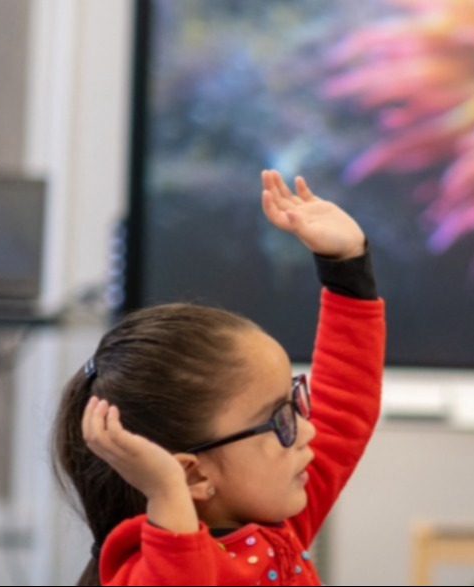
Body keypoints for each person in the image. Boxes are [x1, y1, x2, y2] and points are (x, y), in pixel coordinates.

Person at [52, 171, 385, 586]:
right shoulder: (148, 571)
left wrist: (347, 268)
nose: (308, 430)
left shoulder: (275, 522)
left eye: (294, 403)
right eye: (279, 419)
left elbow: (344, 407)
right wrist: (168, 496)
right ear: (193, 475)